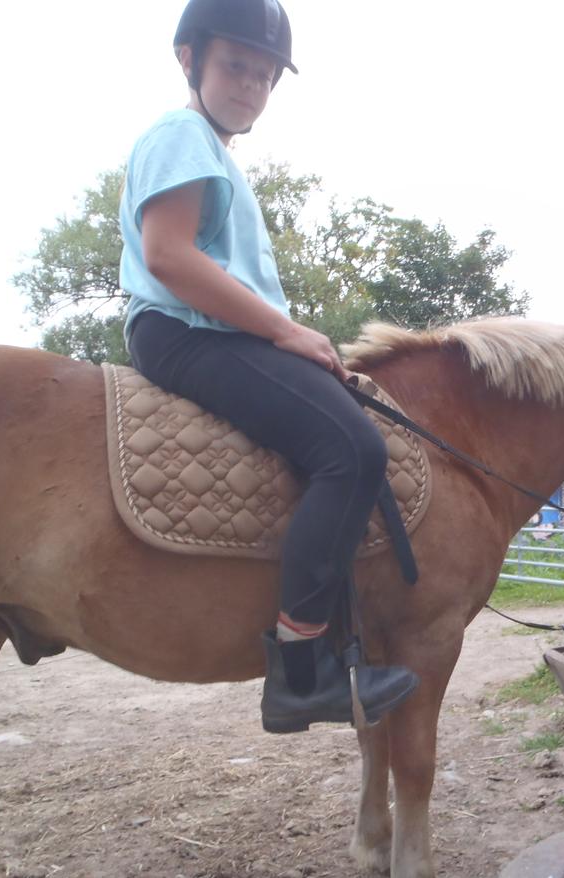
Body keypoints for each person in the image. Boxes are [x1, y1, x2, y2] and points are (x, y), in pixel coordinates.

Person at [119, 0, 418, 733]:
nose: (250, 86)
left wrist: (294, 340)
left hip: (215, 331)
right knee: (352, 451)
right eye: (235, 67)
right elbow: (168, 255)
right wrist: (286, 331)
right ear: (189, 59)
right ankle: (301, 669)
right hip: (187, 330)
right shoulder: (181, 133)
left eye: (263, 75)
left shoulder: (214, 151)